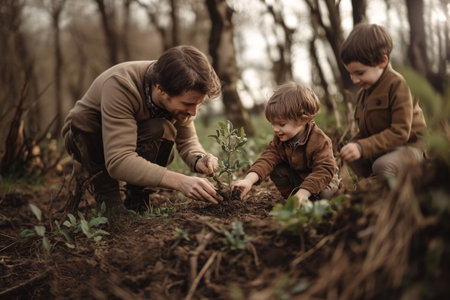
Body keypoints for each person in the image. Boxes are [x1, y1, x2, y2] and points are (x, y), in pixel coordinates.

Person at [62, 45, 223, 213]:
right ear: (160, 88)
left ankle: (138, 194)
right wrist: (180, 181)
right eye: (188, 104)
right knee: (84, 121)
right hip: (89, 136)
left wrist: (200, 159)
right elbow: (118, 160)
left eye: (198, 104)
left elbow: (187, 140)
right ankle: (108, 197)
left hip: (134, 134)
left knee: (161, 128)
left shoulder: (181, 85)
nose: (193, 112)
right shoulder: (121, 84)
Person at [339, 23, 427, 181]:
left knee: (382, 165)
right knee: (353, 158)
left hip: (410, 150)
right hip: (382, 150)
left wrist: (362, 147)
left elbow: (400, 133)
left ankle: (388, 191)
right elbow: (366, 133)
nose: (354, 79)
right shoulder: (363, 94)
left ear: (382, 61)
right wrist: (352, 146)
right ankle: (369, 187)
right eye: (350, 73)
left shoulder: (398, 85)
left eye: (360, 73)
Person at [232, 82, 340, 208]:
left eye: (281, 124)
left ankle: (307, 199)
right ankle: (293, 201)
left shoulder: (320, 141)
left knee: (325, 195)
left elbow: (324, 170)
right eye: (272, 124)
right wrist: (248, 180)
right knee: (277, 170)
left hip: (323, 180)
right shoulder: (280, 139)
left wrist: (304, 192)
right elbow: (267, 159)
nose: (275, 129)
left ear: (303, 119)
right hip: (300, 179)